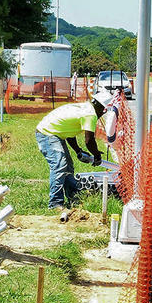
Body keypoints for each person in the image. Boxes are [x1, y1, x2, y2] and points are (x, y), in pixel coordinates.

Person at [35, 89, 113, 220]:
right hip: (47, 133)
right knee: (60, 165)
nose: (102, 114)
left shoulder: (85, 107)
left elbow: (70, 133)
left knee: (68, 166)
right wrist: (96, 155)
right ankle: (54, 203)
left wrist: (78, 150)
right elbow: (89, 140)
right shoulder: (91, 114)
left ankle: (73, 195)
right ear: (100, 107)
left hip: (55, 133)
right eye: (104, 111)